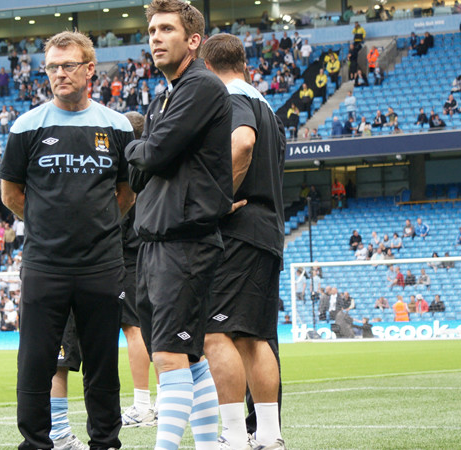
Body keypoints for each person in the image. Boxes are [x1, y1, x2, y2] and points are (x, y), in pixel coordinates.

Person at [0, 30, 135, 450]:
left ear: (89, 68)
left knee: (101, 364)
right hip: (45, 265)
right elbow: (10, 193)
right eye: (52, 67)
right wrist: (46, 226)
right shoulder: (27, 126)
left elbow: (128, 189)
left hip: (102, 265)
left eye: (68, 65)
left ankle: (105, 443)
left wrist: (102, 223)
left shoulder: (117, 126)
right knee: (36, 362)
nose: (59, 74)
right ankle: (36, 444)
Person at [126, 1, 233, 447]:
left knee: (169, 355)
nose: (154, 37)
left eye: (165, 29)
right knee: (188, 359)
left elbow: (151, 155)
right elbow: (138, 173)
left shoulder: (201, 87)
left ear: (193, 40)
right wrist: (143, 150)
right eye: (151, 29)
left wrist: (137, 146)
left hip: (185, 241)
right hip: (156, 242)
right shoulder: (164, 97)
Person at [201, 33, 287, 450]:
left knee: (215, 333)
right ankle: (268, 436)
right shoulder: (266, 104)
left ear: (206, 65)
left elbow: (242, 143)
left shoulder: (230, 94)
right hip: (268, 230)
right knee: (254, 337)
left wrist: (213, 202)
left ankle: (234, 435)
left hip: (238, 229)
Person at [119, 111, 156, 429]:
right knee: (156, 329)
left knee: (134, 329)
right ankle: (168, 402)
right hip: (153, 252)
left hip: (128, 257)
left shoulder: (128, 165)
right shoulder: (154, 158)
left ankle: (143, 404)